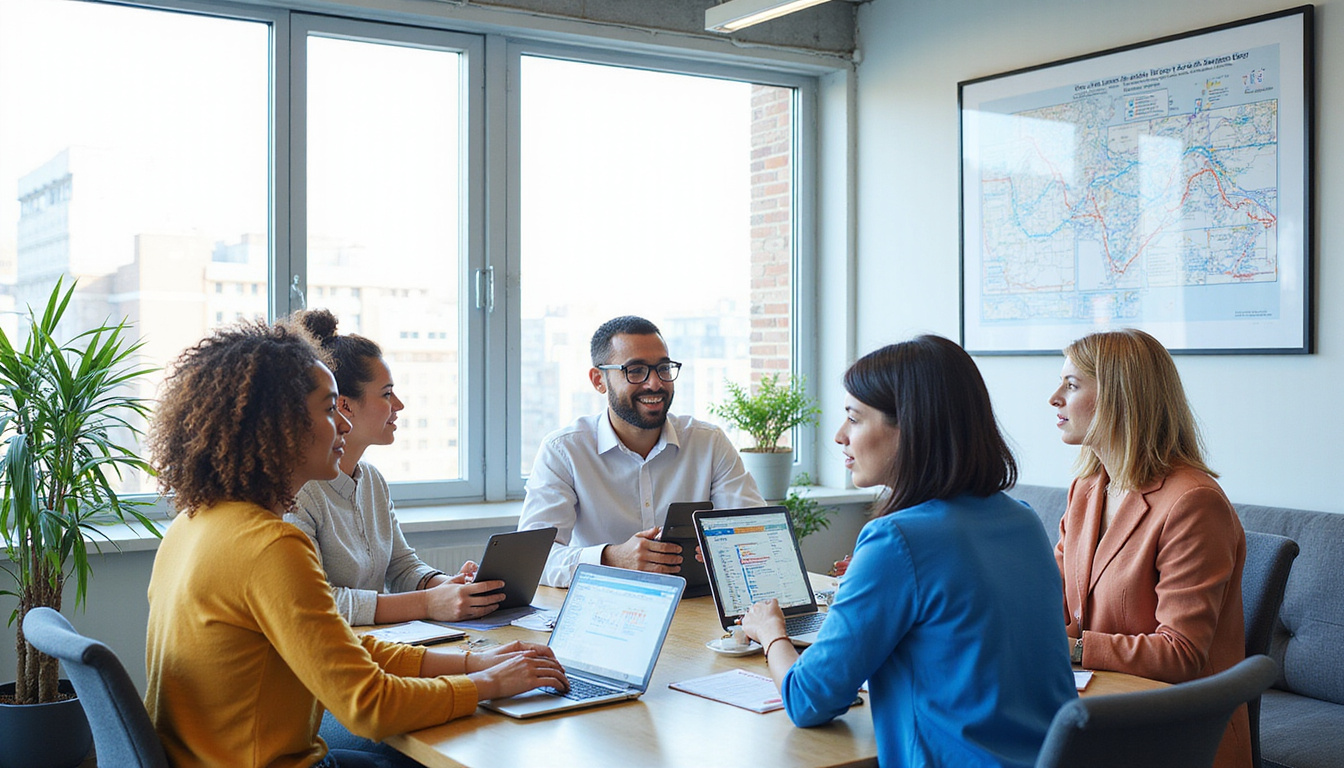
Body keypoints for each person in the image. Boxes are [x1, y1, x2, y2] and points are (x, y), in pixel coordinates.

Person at [144, 321, 567, 768]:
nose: (344, 421)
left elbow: (341, 647)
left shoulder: (193, 524)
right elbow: (370, 706)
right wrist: (491, 684)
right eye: (329, 409)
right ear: (279, 427)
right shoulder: (271, 545)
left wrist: (472, 664)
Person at [741, 335, 1076, 768]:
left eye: (854, 419)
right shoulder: (1025, 522)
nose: (841, 436)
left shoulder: (895, 540)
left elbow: (808, 700)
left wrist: (771, 633)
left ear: (911, 427)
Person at [1049, 328, 1249, 768]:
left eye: (1072, 384)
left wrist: (1076, 649)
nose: (1054, 399)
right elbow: (1054, 601)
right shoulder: (1087, 487)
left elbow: (1180, 653)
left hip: (1178, 733)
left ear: (1120, 397)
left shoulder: (1193, 502)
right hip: (1099, 709)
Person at [285, 309, 504, 627]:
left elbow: (401, 567)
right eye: (387, 394)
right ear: (343, 405)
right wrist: (428, 603)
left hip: (376, 644)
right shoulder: (298, 490)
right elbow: (319, 604)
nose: (398, 405)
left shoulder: (371, 479)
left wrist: (451, 588)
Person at [518, 315, 764, 587]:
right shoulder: (563, 451)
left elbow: (757, 536)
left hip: (696, 610)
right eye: (635, 371)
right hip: (604, 609)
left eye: (663, 368)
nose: (655, 383)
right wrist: (611, 558)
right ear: (599, 380)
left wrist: (728, 553)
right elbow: (533, 560)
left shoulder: (709, 443)